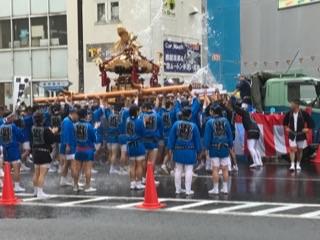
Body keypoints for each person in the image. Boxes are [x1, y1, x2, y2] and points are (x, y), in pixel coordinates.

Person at [168, 107, 201, 195]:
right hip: (190, 151)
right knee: (189, 170)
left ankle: (178, 189)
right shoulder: (194, 126)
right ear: (190, 115)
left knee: (178, 169)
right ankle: (188, 190)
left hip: (178, 150)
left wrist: (170, 149)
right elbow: (197, 140)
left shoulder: (176, 124)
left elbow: (171, 138)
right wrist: (198, 152)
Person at [204, 104, 233, 195]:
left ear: (213, 112)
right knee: (225, 169)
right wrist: (230, 145)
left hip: (214, 148)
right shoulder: (225, 121)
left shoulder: (209, 122)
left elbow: (207, 137)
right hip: (224, 147)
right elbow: (229, 134)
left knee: (215, 169)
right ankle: (225, 188)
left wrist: (206, 147)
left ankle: (216, 189)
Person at [31, 111, 59, 198]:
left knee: (36, 173)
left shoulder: (32, 128)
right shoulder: (46, 129)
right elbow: (51, 140)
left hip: (35, 152)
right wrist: (53, 132)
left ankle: (35, 191)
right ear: (42, 119)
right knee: (42, 174)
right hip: (44, 152)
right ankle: (40, 192)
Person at [231, 96, 262, 168]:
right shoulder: (250, 113)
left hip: (251, 131)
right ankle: (259, 162)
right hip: (257, 130)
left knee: (251, 148)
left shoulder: (244, 112)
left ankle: (256, 162)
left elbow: (236, 109)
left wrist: (233, 102)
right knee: (255, 148)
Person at [283, 99, 314, 171]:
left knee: (300, 150)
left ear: (296, 105)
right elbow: (285, 124)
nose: (290, 105)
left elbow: (312, 124)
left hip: (301, 134)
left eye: (292, 104)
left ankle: (298, 164)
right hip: (292, 134)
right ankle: (292, 165)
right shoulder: (289, 113)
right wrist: (286, 128)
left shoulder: (303, 113)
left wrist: (307, 129)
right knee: (292, 150)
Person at [0, 111, 25, 192]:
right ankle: (17, 186)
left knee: (7, 170)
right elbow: (20, 137)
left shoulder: (1, 126)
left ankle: (8, 185)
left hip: (5, 150)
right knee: (16, 168)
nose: (14, 117)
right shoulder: (13, 126)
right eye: (13, 116)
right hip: (13, 149)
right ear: (9, 117)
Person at [73, 108, 97, 192]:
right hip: (88, 150)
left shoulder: (74, 125)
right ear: (85, 115)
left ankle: (75, 186)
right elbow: (94, 138)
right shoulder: (89, 125)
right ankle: (88, 186)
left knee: (77, 169)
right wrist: (95, 129)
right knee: (88, 169)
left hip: (78, 149)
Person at [126, 104, 146, 190]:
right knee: (139, 165)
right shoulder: (139, 121)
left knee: (132, 165)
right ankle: (138, 183)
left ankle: (132, 183)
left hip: (130, 145)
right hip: (138, 144)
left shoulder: (127, 120)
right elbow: (143, 133)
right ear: (137, 111)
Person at [59, 108, 78, 186]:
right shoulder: (67, 121)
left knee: (66, 164)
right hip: (69, 146)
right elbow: (66, 134)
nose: (77, 117)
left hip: (68, 146)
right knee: (74, 165)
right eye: (77, 115)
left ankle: (63, 180)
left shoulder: (67, 120)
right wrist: (67, 145)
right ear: (73, 113)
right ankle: (75, 182)